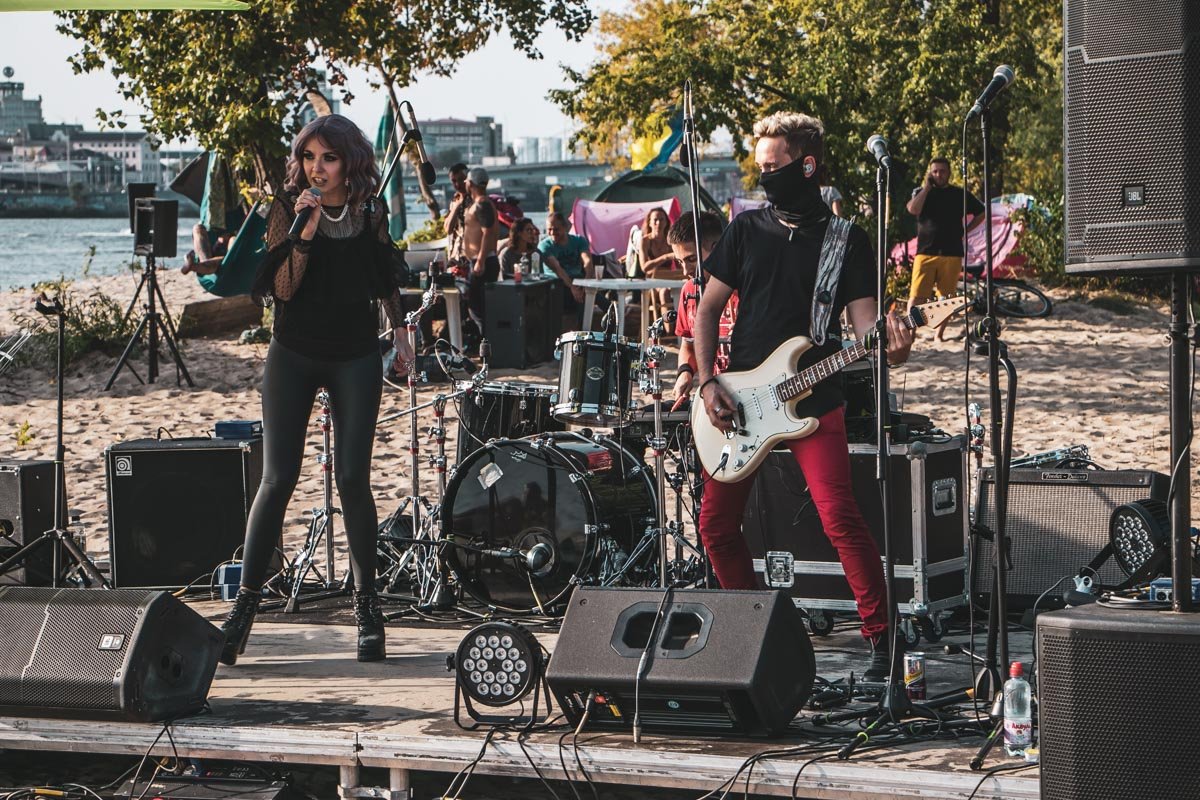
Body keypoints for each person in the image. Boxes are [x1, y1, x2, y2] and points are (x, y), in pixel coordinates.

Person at [694, 111, 914, 680]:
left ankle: (883, 640)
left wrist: (893, 347)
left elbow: (867, 330)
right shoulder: (745, 229)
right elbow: (707, 310)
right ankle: (754, 633)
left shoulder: (847, 240)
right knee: (716, 526)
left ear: (807, 166)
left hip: (814, 397)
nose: (763, 176)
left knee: (839, 516)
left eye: (773, 166)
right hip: (741, 399)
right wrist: (707, 380)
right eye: (760, 166)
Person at [220, 114, 416, 667]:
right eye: (309, 157)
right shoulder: (288, 208)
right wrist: (304, 230)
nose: (317, 168)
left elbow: (384, 275)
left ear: (349, 162)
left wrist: (402, 334)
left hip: (356, 354)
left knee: (353, 479)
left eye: (328, 158)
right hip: (294, 354)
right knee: (277, 478)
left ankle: (367, 610)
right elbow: (282, 287)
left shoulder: (369, 209)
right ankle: (243, 611)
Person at [667, 211, 733, 411]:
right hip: (714, 395)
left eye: (691, 259)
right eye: (680, 262)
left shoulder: (746, 288)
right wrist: (685, 371)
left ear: (717, 249)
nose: (685, 270)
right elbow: (688, 344)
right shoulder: (689, 291)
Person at [905, 156, 985, 312]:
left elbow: (981, 213)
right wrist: (927, 188)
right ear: (930, 173)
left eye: (942, 171)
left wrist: (966, 230)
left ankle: (940, 329)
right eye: (935, 171)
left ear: (949, 173)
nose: (938, 175)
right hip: (925, 252)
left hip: (952, 252)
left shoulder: (959, 194)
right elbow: (913, 209)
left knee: (946, 299)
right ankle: (911, 327)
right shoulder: (921, 193)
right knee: (917, 296)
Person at [538, 212, 594, 331]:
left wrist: (586, 284)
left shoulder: (579, 240)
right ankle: (575, 331)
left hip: (579, 280)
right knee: (573, 299)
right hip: (557, 282)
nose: (552, 233)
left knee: (596, 298)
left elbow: (587, 261)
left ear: (565, 227)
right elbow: (557, 269)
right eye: (549, 229)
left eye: (556, 229)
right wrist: (572, 287)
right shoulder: (544, 246)